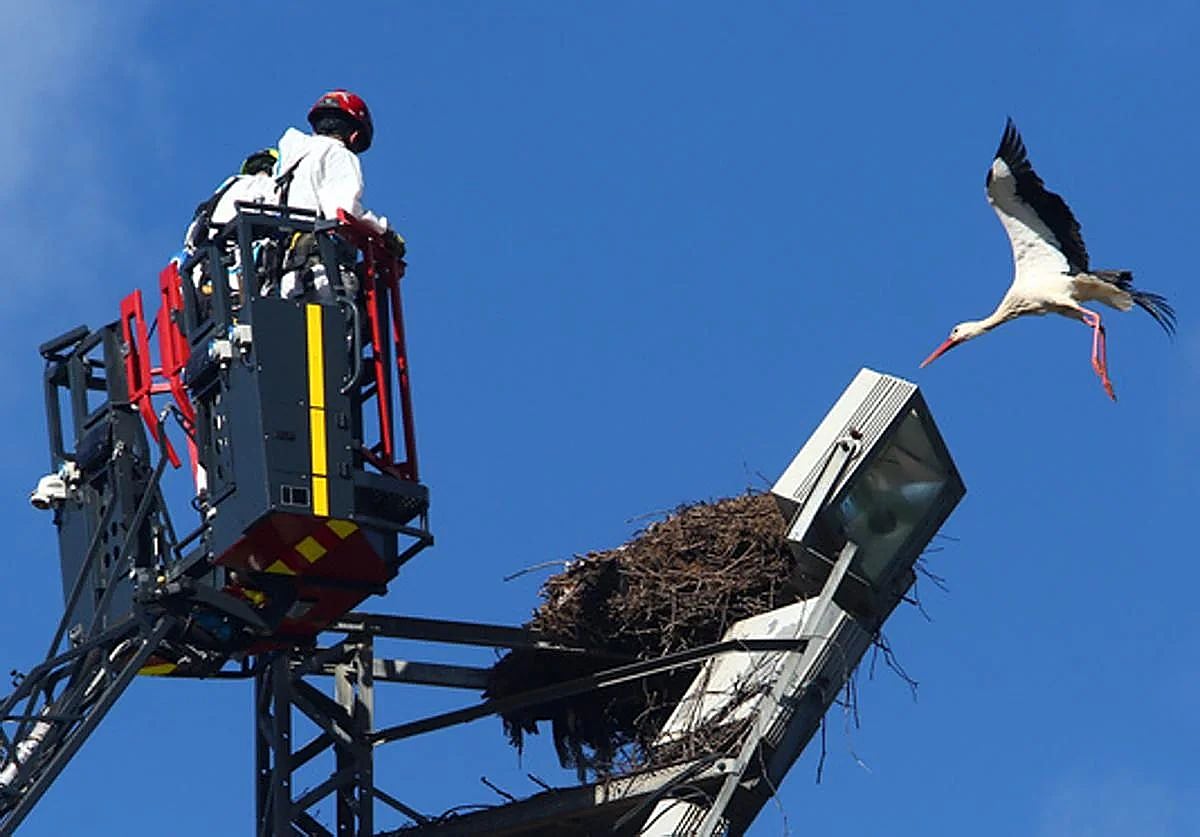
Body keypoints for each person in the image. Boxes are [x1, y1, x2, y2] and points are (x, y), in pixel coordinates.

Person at [274, 89, 405, 300]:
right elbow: (344, 210)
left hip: (288, 275)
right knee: (340, 330)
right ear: (354, 136)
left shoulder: (289, 165)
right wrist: (384, 233)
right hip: (323, 272)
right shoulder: (338, 154)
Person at [181, 148, 281, 294]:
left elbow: (191, 242)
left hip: (207, 276)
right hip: (239, 274)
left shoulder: (218, 196)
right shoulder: (263, 184)